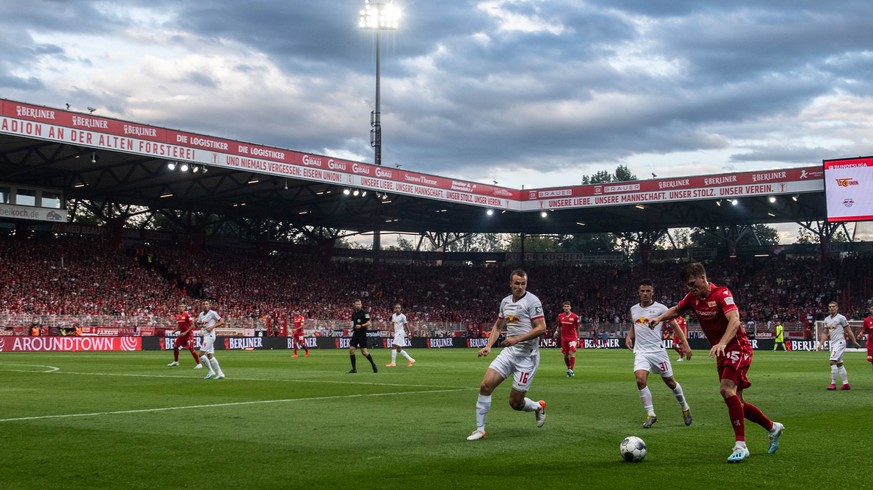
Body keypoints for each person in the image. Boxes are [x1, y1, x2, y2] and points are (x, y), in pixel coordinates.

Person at [650, 262, 783, 463]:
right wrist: (659, 318)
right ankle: (773, 427)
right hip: (722, 351)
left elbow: (735, 320)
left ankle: (741, 445)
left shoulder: (722, 294)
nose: (691, 288)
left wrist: (722, 342)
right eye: (688, 285)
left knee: (726, 390)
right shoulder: (693, 298)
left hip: (737, 346)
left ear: (703, 278)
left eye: (693, 283)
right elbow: (677, 310)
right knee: (737, 401)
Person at [467, 269, 547, 441]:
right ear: (510, 283)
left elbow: (541, 328)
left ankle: (538, 406)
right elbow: (498, 326)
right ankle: (480, 430)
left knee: (515, 403)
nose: (520, 287)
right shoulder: (505, 302)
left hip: (527, 356)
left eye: (523, 283)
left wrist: (517, 339)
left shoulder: (532, 301)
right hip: (509, 353)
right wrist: (489, 346)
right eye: (517, 283)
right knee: (485, 386)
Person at [626, 279, 693, 429]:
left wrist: (685, 344)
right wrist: (629, 336)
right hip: (641, 352)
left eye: (647, 291)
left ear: (652, 292)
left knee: (670, 382)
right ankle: (651, 414)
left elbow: (675, 326)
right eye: (642, 291)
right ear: (639, 292)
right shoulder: (634, 309)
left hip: (657, 352)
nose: (645, 294)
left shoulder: (661, 309)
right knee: (640, 380)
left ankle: (685, 407)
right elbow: (634, 324)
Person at [819, 301, 861, 390]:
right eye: (830, 307)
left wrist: (854, 342)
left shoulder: (841, 318)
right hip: (834, 343)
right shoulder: (827, 320)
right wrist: (821, 344)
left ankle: (833, 384)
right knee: (839, 364)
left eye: (833, 306)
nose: (831, 308)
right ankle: (846, 384)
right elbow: (825, 332)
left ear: (837, 308)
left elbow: (848, 331)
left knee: (832, 361)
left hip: (840, 342)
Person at [196, 299, 226, 380]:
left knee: (201, 354)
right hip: (205, 335)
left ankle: (211, 371)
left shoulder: (212, 313)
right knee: (210, 356)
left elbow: (222, 321)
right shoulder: (201, 314)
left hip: (210, 336)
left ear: (209, 305)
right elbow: (199, 324)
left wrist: (212, 327)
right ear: (201, 306)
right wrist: (198, 324)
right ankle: (220, 373)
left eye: (206, 304)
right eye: (203, 304)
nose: (205, 305)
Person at [168, 301, 201, 368]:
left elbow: (193, 326)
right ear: (178, 308)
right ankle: (176, 362)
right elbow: (179, 325)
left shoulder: (187, 315)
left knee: (191, 349)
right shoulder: (178, 316)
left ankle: (199, 364)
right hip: (182, 335)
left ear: (184, 308)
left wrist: (185, 332)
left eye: (182, 307)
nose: (181, 308)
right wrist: (175, 330)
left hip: (188, 335)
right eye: (180, 307)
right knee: (175, 346)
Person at [348, 298, 378, 373]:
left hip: (362, 334)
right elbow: (353, 324)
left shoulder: (365, 313)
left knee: (364, 352)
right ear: (354, 305)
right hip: (355, 334)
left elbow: (369, 322)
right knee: (351, 350)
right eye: (356, 304)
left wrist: (361, 325)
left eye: (359, 304)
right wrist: (352, 328)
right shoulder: (354, 314)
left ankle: (373, 364)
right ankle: (354, 369)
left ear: (361, 305)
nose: (358, 305)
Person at [553, 301, 580, 377]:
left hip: (572, 338)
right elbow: (559, 325)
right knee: (565, 355)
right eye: (565, 306)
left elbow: (577, 328)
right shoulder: (560, 316)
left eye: (567, 306)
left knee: (571, 353)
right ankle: (569, 368)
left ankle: (571, 370)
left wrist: (578, 339)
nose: (566, 308)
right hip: (564, 338)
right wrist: (556, 331)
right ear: (563, 308)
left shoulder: (575, 317)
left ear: (570, 307)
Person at [858, 305, 873, 372]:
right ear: (870, 310)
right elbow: (864, 330)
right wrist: (860, 335)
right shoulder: (867, 320)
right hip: (871, 344)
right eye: (872, 309)